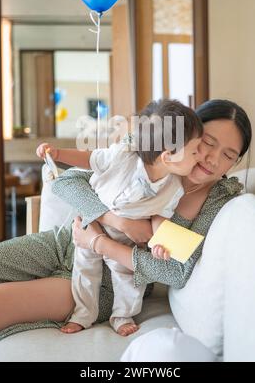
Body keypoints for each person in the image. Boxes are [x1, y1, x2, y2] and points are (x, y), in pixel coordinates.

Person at [0, 99, 251, 357]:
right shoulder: (147, 155)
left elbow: (175, 270)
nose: (211, 159)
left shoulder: (217, 199)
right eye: (206, 144)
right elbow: (68, 180)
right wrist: (117, 221)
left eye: (228, 155)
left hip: (105, 282)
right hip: (63, 243)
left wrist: (100, 243)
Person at [36, 99, 203, 336]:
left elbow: (160, 219)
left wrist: (160, 243)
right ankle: (83, 315)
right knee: (85, 270)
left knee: (129, 277)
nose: (199, 157)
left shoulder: (173, 188)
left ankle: (122, 315)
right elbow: (91, 158)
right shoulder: (123, 156)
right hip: (92, 223)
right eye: (195, 151)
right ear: (168, 156)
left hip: (126, 240)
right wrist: (59, 153)